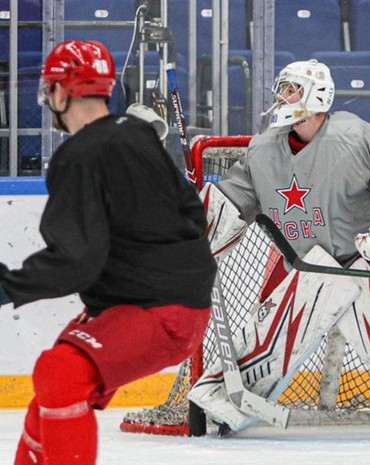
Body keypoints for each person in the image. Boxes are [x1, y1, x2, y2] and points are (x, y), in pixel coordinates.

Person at [187, 59, 370, 441]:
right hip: (303, 267)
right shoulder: (263, 148)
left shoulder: (356, 136)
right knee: (268, 335)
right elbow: (233, 199)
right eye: (282, 89)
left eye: (291, 89)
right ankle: (223, 401)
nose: (282, 97)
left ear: (317, 95)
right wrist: (202, 219)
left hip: (369, 267)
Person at [0, 40, 216, 465]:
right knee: (52, 385)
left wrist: (8, 287)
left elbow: (75, 261)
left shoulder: (78, 156)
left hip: (157, 309)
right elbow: (192, 211)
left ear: (61, 92)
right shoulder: (137, 133)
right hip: (171, 304)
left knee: (60, 375)